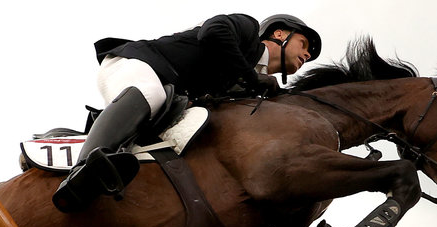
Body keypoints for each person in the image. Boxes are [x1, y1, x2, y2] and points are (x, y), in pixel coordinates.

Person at [52, 14, 322, 213]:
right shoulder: (247, 30)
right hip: (135, 65)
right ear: (279, 34)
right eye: (304, 44)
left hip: (166, 100)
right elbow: (213, 31)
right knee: (152, 93)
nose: (307, 54)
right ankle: (81, 170)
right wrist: (252, 78)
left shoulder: (248, 83)